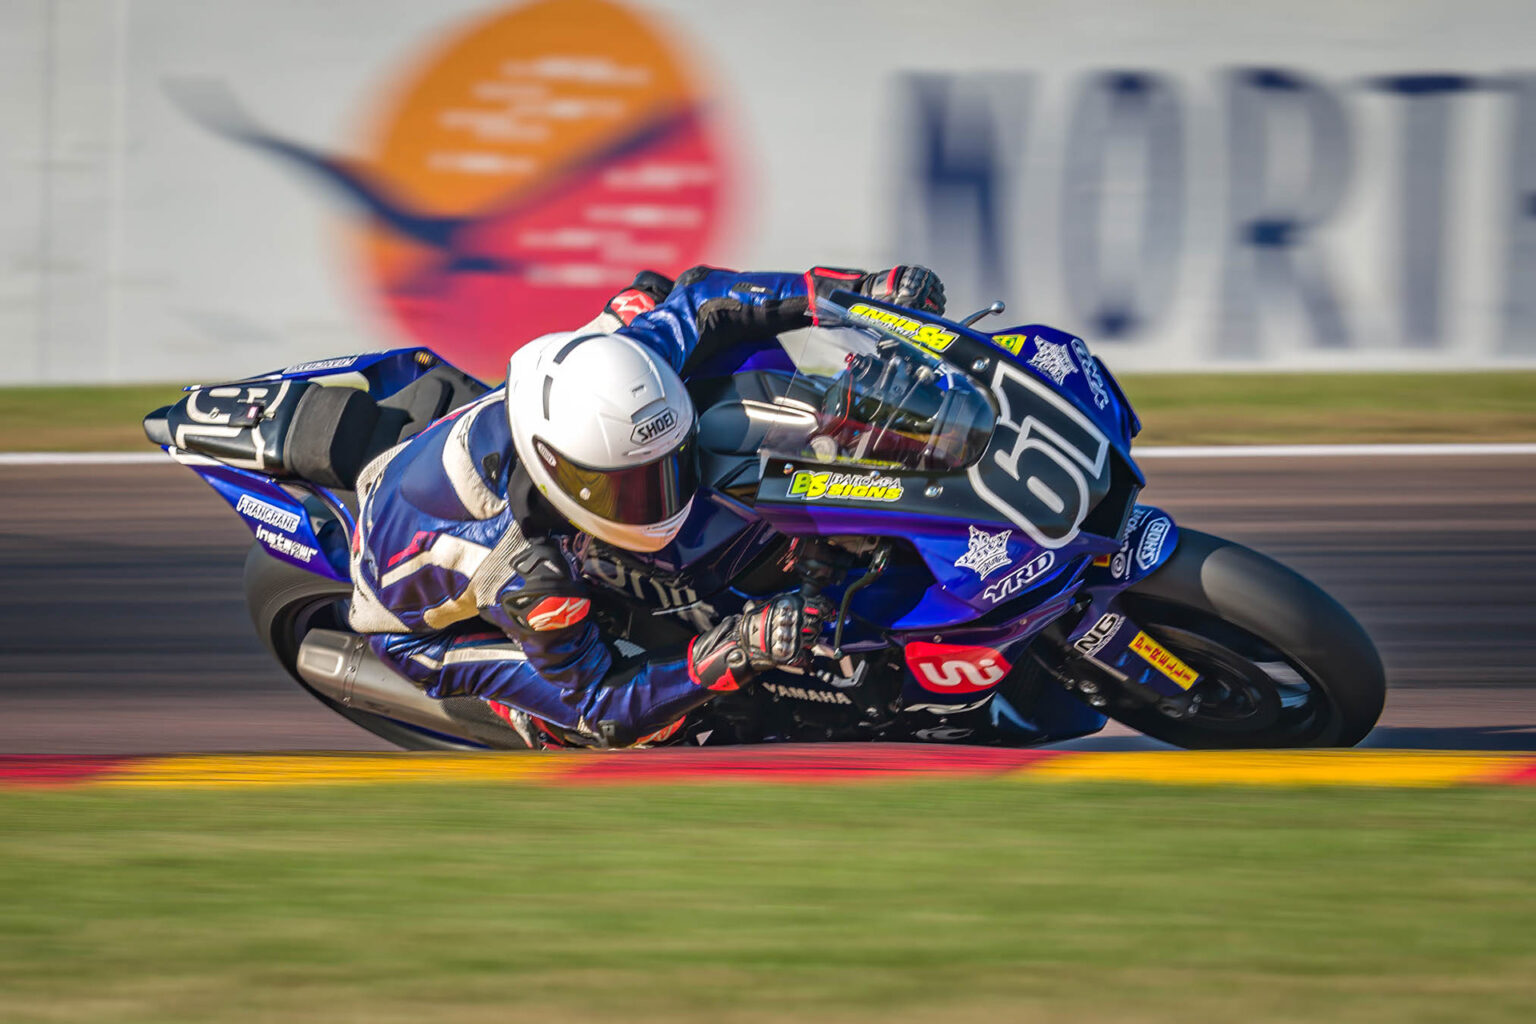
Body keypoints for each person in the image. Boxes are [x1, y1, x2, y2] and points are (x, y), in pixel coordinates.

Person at [346, 264, 947, 748]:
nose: (662, 496)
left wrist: (860, 293)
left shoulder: (630, 366)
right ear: (564, 477)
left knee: (648, 300)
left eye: (668, 466)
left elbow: (705, 297)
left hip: (488, 447)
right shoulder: (528, 574)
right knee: (628, 728)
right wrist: (740, 646)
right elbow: (600, 701)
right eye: (633, 486)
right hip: (410, 625)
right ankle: (530, 720)